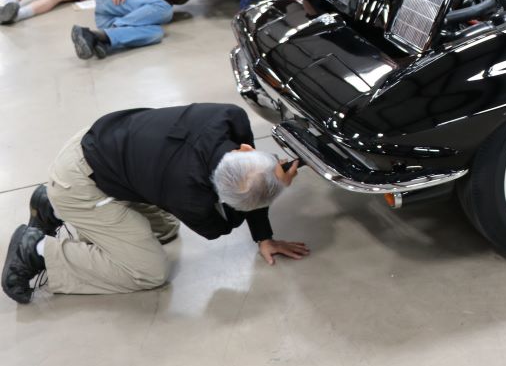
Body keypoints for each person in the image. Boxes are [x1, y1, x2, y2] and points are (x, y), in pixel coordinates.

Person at [1, 103, 308, 304]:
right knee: (148, 271)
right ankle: (37, 250)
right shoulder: (189, 197)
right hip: (81, 180)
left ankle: (51, 205)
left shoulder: (227, 118)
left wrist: (263, 233)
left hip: (103, 144)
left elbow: (250, 180)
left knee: (164, 229)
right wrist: (272, 186)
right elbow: (221, 226)